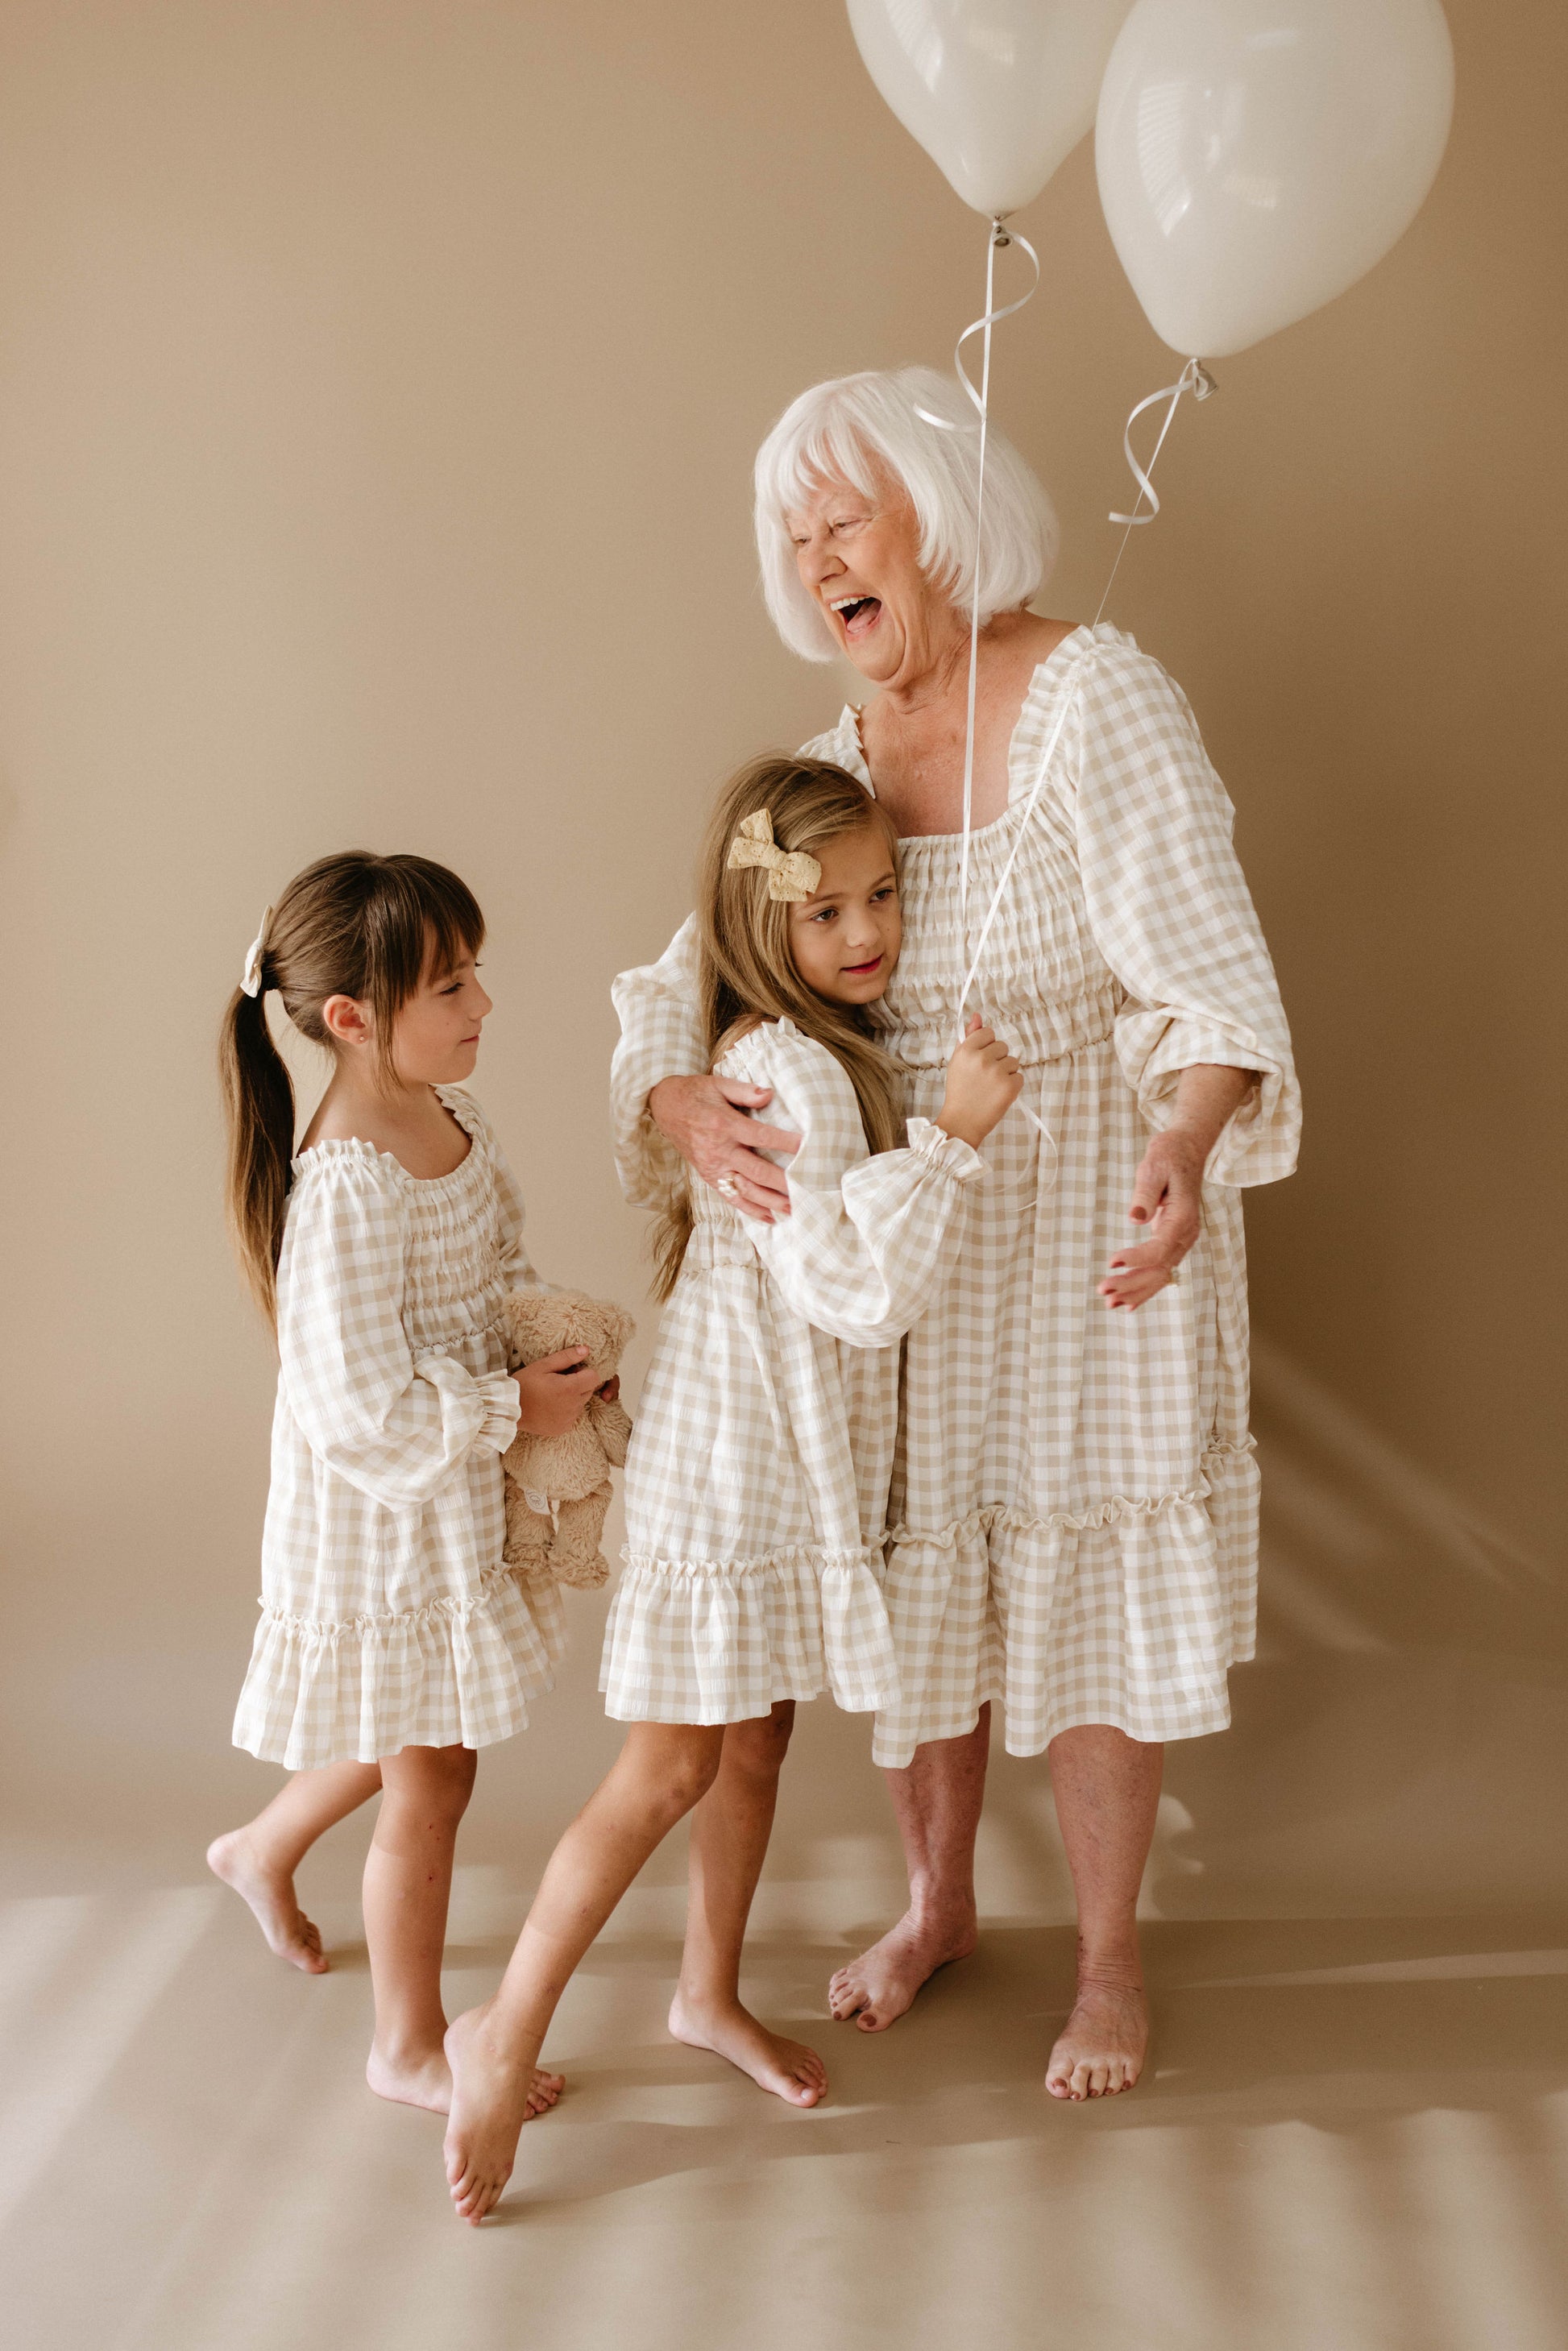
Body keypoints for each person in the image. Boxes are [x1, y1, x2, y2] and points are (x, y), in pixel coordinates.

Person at [611, 367, 1300, 2101]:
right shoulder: (836, 762)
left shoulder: (1095, 698)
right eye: (797, 530)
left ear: (945, 514)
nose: (817, 552)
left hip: (1078, 1207)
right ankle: (935, 1905)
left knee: (1080, 1584)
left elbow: (1211, 981)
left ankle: (1112, 1963)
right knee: (936, 1581)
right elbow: (674, 973)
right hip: (901, 1228)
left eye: (848, 514)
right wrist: (673, 1096)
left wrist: (1184, 1135)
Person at [441, 755, 1022, 2221]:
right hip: (733, 1461)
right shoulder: (799, 1069)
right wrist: (952, 1133)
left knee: (750, 1743)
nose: (865, 930)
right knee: (670, 1765)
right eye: (824, 910)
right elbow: (854, 1289)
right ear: (762, 926)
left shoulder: (791, 1046)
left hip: (765, 1452)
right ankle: (501, 2035)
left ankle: (703, 1991)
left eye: (882, 895)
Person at [209, 850, 604, 2121]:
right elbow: (349, 1409)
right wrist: (508, 1409)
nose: (482, 1002)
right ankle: (407, 2042)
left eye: (475, 970)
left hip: (452, 1483)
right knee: (433, 1771)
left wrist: (544, 1345)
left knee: (412, 1723)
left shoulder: (453, 1117)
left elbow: (493, 1259)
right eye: (449, 984)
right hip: (384, 1509)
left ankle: (261, 1845)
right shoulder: (347, 1184)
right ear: (351, 1019)